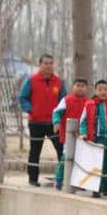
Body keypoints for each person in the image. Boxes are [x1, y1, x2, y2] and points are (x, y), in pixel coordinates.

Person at [18, 53, 67, 186]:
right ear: (40, 64)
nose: (49, 66)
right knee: (35, 151)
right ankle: (33, 179)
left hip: (54, 123)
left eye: (51, 63)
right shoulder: (31, 80)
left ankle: (63, 178)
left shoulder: (59, 82)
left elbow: (64, 101)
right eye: (45, 63)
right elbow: (22, 97)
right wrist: (31, 110)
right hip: (36, 122)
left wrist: (60, 117)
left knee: (62, 150)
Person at [52, 78, 88, 190]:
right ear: (73, 87)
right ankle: (58, 179)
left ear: (86, 88)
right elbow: (57, 112)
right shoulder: (66, 100)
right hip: (69, 136)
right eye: (78, 85)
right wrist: (56, 122)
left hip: (83, 137)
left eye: (83, 86)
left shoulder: (89, 102)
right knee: (66, 158)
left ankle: (79, 182)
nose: (80, 88)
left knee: (81, 160)